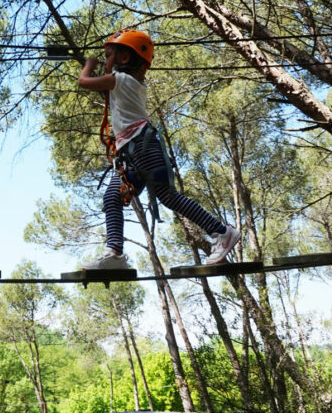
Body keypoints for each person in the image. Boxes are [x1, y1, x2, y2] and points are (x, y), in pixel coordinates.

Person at [77, 29, 241, 270]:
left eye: (109, 55)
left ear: (124, 58)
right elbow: (103, 87)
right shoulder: (126, 83)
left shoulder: (120, 80)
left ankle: (221, 232)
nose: (105, 61)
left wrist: (89, 64)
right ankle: (115, 253)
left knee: (167, 196)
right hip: (131, 152)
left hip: (142, 147)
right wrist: (103, 63)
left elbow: (84, 82)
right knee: (113, 197)